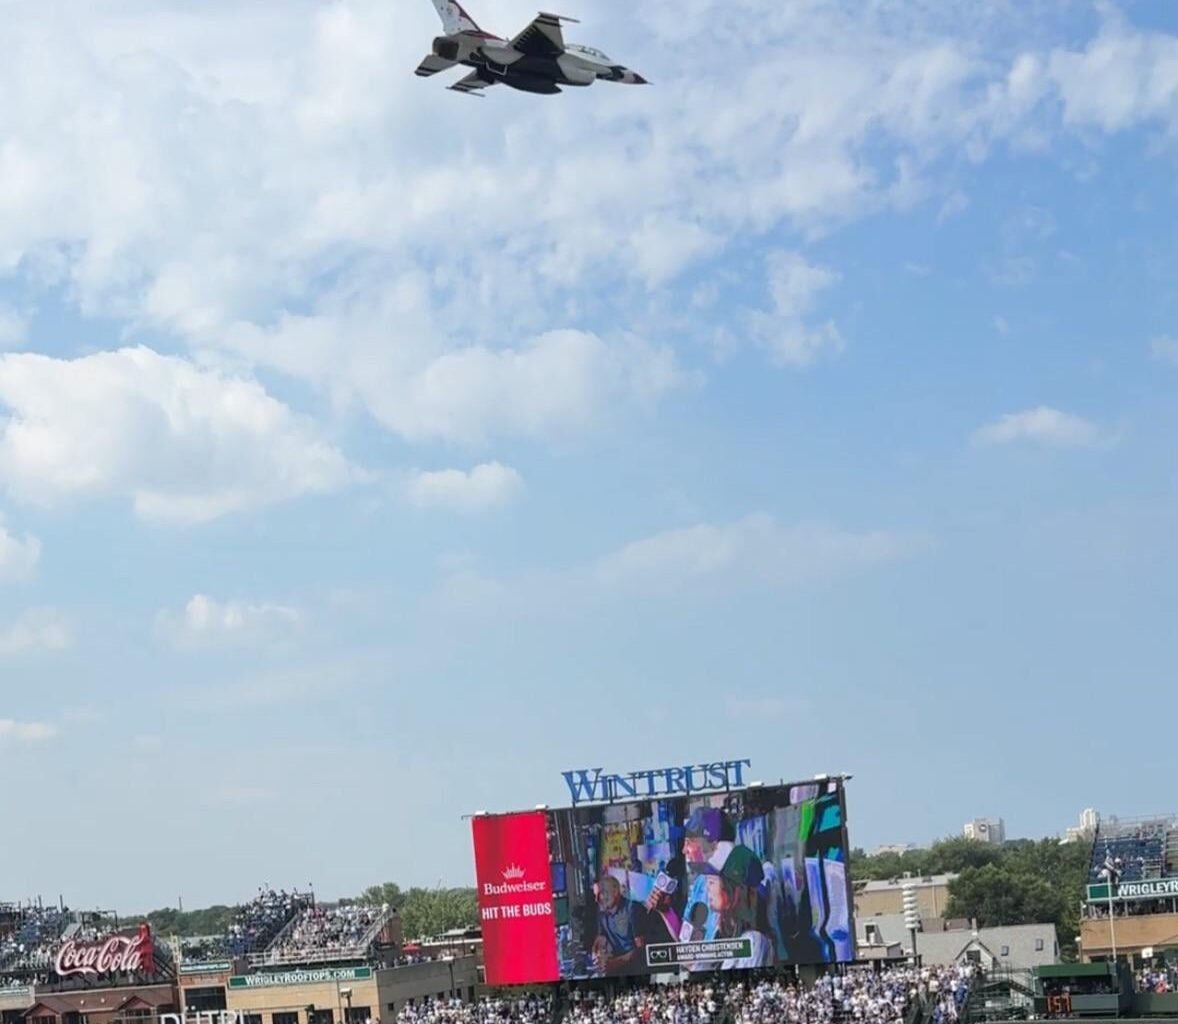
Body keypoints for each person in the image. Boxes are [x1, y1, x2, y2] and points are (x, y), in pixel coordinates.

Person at [591, 874, 639, 975]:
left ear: (615, 892)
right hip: (615, 968)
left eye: (601, 894)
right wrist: (597, 952)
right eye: (595, 895)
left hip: (635, 970)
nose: (596, 900)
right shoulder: (602, 912)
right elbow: (602, 937)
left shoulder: (632, 909)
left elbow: (641, 950)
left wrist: (615, 963)